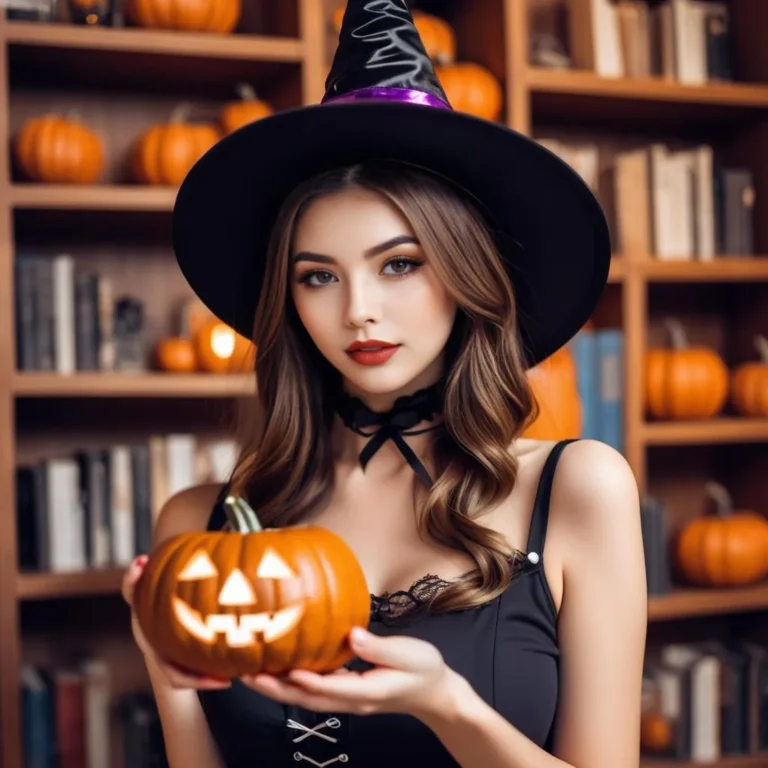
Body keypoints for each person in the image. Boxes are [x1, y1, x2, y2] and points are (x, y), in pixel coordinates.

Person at [122, 2, 647, 767]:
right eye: (318, 276)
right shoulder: (201, 529)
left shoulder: (578, 489)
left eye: (399, 264)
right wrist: (168, 670)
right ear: (289, 300)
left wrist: (448, 707)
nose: (357, 311)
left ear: (467, 275)